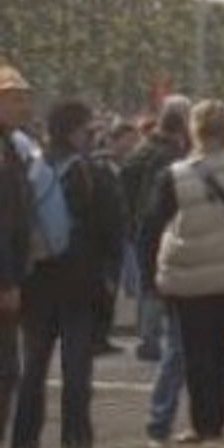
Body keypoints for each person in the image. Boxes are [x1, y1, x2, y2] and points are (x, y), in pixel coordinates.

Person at [140, 100, 224, 445]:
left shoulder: (177, 174)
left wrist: (150, 275)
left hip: (189, 270)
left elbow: (152, 224)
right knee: (222, 348)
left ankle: (201, 423)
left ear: (194, 131)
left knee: (196, 352)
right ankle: (217, 422)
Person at [12, 99, 121, 448]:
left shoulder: (29, 169)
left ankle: (24, 445)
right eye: (89, 130)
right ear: (76, 132)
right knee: (76, 374)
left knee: (33, 370)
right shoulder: (93, 173)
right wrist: (109, 280)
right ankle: (75, 445)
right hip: (80, 284)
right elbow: (113, 230)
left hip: (36, 282)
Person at [121, 99, 190, 362]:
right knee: (158, 283)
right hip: (160, 224)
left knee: (147, 282)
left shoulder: (142, 149)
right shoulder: (170, 156)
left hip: (140, 224)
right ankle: (152, 339)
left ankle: (147, 337)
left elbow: (126, 182)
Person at [0, 66, 33, 446]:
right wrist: (6, 280)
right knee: (4, 371)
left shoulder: (11, 146)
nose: (23, 106)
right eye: (14, 98)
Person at [89, 120, 137, 356]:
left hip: (120, 235)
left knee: (112, 288)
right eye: (127, 140)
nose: (131, 145)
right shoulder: (101, 165)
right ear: (114, 140)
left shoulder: (126, 166)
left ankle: (102, 336)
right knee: (103, 288)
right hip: (103, 239)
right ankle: (95, 337)